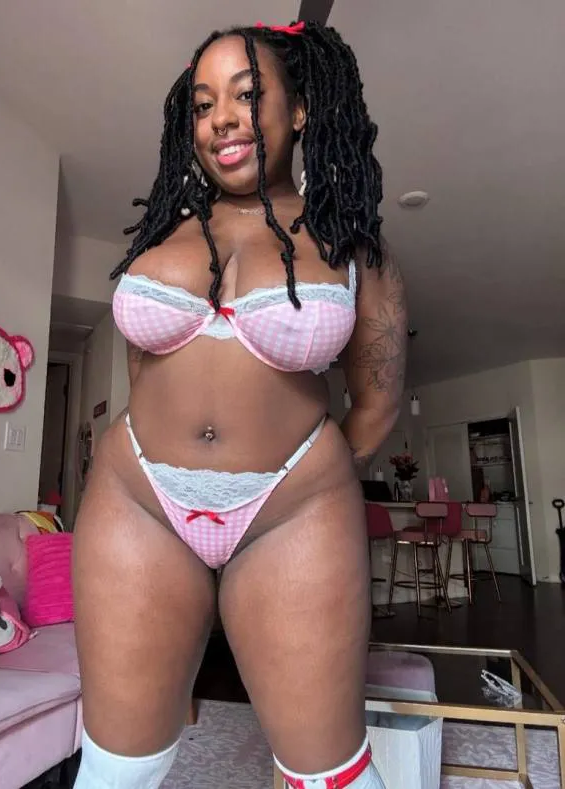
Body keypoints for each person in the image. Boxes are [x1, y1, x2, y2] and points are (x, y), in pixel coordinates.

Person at [72, 18, 406, 789]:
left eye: (246, 95)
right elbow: (144, 370)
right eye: (202, 103)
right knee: (114, 770)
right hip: (139, 501)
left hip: (292, 510)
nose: (220, 118)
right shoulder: (164, 229)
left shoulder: (353, 245)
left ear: (300, 110)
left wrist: (299, 479)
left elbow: (377, 403)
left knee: (331, 775)